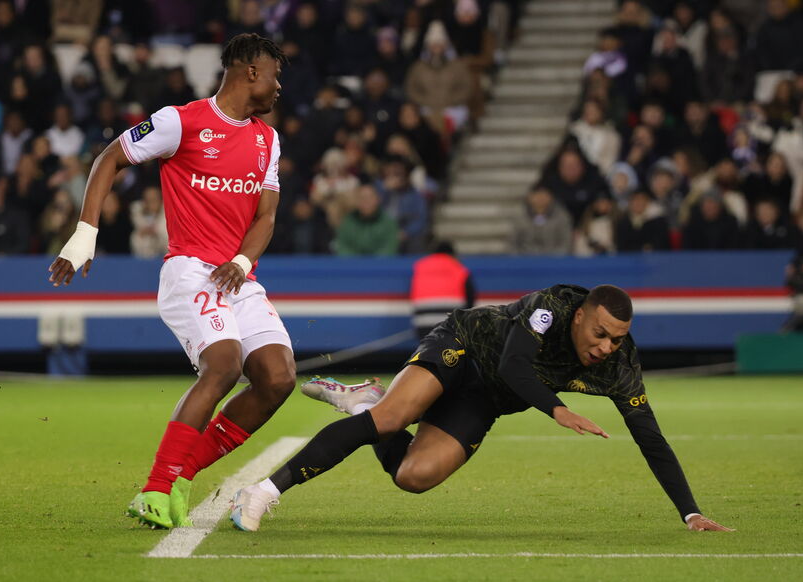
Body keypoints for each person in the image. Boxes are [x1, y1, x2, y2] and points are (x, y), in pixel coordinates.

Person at [47, 34, 312, 530]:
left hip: (237, 274)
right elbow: (110, 158)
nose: (280, 87)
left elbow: (267, 216)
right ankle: (155, 488)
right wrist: (85, 233)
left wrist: (241, 258)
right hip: (190, 270)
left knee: (278, 378)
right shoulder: (179, 122)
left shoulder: (267, 139)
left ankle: (182, 470)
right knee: (225, 365)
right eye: (276, 75)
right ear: (250, 71)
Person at [230, 285, 732, 534]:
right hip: (462, 348)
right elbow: (516, 364)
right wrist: (557, 410)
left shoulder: (619, 365)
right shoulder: (551, 306)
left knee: (413, 476)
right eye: (599, 334)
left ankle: (364, 399)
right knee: (391, 421)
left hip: (486, 400)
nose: (606, 347)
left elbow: (651, 436)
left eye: (616, 339)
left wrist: (690, 511)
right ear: (579, 317)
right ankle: (263, 491)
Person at [409, 241, 475, 339]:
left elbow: (412, 294)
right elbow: (470, 298)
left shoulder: (420, 268)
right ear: (452, 254)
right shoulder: (459, 268)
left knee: (428, 352)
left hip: (423, 325)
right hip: (451, 326)